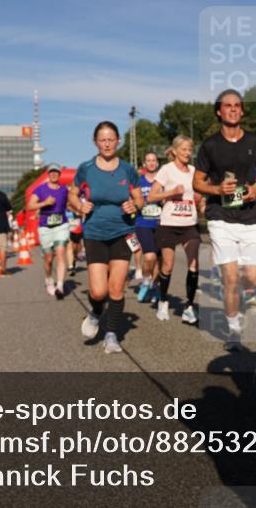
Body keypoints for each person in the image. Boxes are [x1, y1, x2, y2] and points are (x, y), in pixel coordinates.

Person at [193, 89, 256, 351]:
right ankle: (234, 328)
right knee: (231, 278)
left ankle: (244, 295)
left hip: (250, 217)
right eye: (228, 106)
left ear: (242, 110)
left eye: (237, 105)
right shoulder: (210, 146)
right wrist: (217, 191)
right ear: (219, 111)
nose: (233, 109)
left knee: (254, 277)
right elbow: (197, 182)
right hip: (220, 218)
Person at [68, 122, 144, 354]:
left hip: (122, 231)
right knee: (99, 292)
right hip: (95, 233)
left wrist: (135, 204)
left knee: (117, 288)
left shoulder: (128, 169)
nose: (107, 143)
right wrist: (80, 206)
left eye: (111, 139)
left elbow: (140, 200)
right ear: (95, 142)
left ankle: (111, 335)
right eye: (102, 139)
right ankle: (96, 312)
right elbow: (72, 195)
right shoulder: (86, 169)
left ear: (118, 141)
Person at [148, 136, 204, 324]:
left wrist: (200, 200)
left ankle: (189, 306)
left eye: (190, 149)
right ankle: (163, 300)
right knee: (168, 265)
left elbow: (199, 193)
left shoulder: (194, 172)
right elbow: (152, 196)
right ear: (175, 150)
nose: (188, 153)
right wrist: (171, 192)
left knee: (194, 263)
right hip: (169, 223)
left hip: (189, 223)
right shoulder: (166, 170)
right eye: (184, 149)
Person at [27, 163, 71, 299]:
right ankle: (48, 279)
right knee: (48, 258)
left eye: (56, 172)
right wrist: (44, 203)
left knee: (60, 253)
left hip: (61, 226)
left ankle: (60, 286)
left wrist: (78, 210)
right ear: (48, 174)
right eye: (51, 172)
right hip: (45, 227)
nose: (53, 174)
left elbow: (69, 204)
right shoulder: (40, 189)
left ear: (59, 175)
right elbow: (30, 205)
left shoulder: (64, 190)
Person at [135, 152, 163, 304]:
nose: (151, 163)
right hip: (143, 223)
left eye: (154, 160)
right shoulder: (139, 182)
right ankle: (146, 281)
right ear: (144, 164)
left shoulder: (163, 181)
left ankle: (156, 288)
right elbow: (131, 199)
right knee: (150, 256)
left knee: (159, 260)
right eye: (148, 161)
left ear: (157, 163)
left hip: (161, 224)